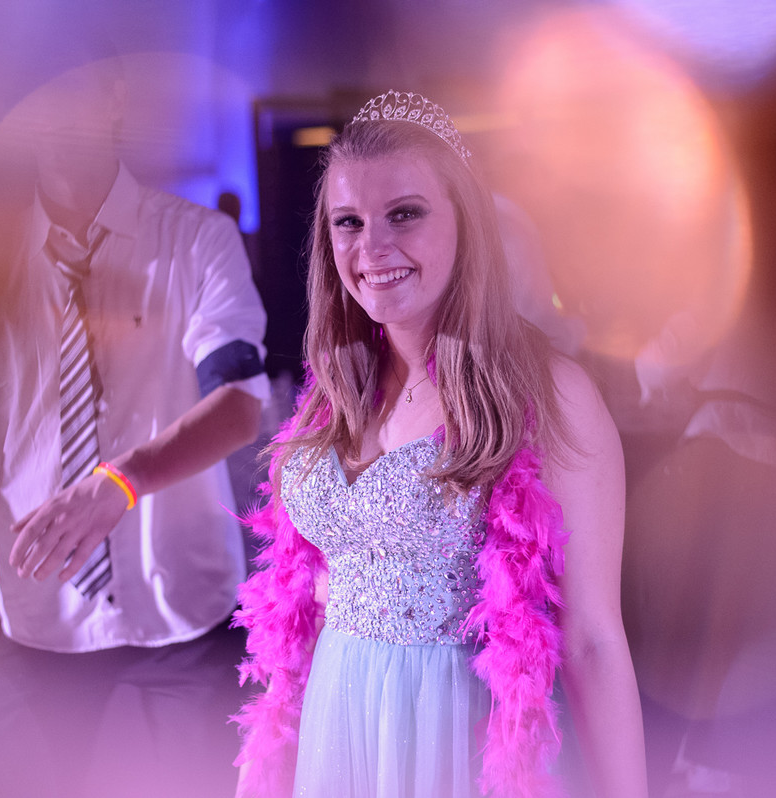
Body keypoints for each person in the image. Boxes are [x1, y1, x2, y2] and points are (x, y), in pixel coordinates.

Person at [232, 90, 648, 798]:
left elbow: (593, 642)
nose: (372, 248)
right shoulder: (333, 390)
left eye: (404, 214)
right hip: (338, 731)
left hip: (457, 738)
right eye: (349, 222)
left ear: (466, 222)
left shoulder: (549, 393)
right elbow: (306, 604)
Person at [0, 56, 268, 797]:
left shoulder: (197, 240)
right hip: (39, 626)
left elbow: (238, 406)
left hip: (184, 623)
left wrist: (117, 483)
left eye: (68, 88)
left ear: (115, 96)